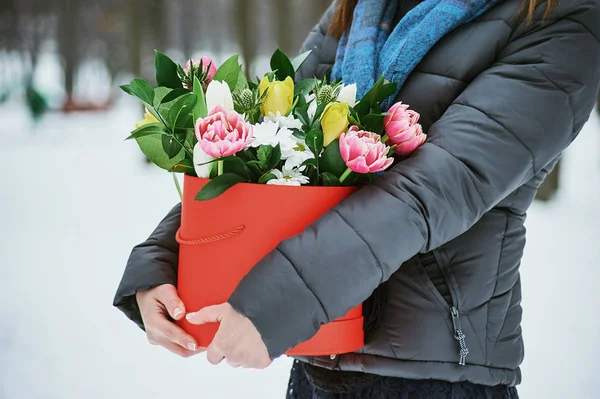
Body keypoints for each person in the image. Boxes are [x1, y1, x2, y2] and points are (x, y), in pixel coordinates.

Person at [114, 0, 600, 397]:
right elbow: (269, 152)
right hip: (318, 367)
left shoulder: (560, 21)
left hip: (437, 379)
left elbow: (431, 189)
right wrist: (166, 261)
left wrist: (276, 301)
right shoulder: (356, 13)